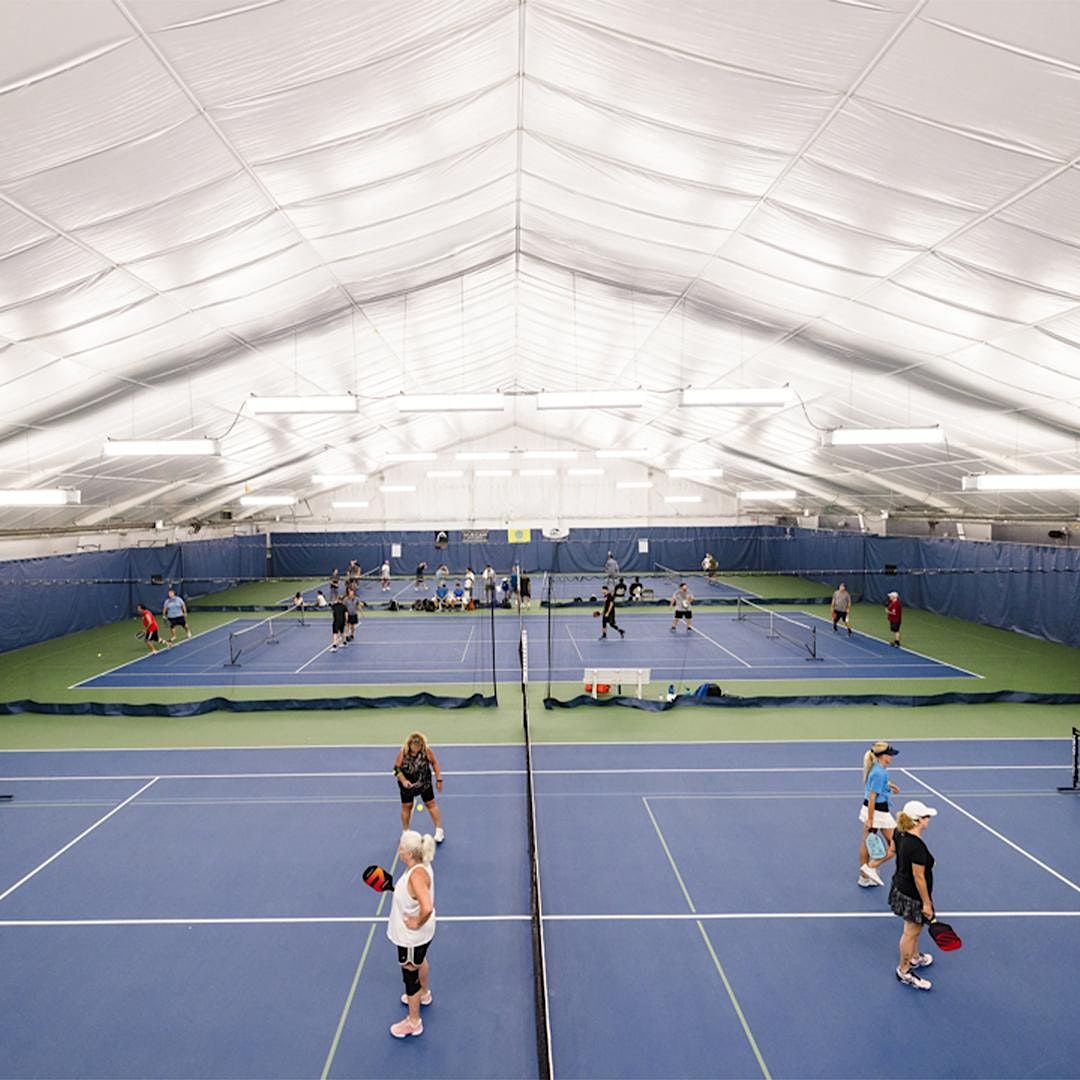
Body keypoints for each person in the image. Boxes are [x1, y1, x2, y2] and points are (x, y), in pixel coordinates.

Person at [387, 830, 437, 1038]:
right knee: (420, 960)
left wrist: (416, 922)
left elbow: (426, 907)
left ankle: (413, 1022)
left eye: (401, 846)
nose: (398, 849)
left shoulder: (416, 876)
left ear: (407, 852)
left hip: (411, 937)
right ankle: (424, 994)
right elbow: (414, 896)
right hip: (423, 936)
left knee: (410, 974)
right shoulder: (422, 866)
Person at [890, 800, 939, 991]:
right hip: (912, 895)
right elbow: (919, 877)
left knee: (914, 929)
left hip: (899, 887)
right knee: (911, 932)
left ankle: (915, 957)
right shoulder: (916, 846)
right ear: (918, 820)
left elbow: (893, 850)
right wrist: (926, 903)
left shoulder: (899, 832)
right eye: (927, 816)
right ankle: (904, 970)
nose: (929, 819)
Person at [859, 741, 900, 887]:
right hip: (877, 811)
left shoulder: (877, 769)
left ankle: (864, 877)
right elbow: (872, 796)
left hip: (874, 810)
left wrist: (890, 785)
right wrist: (870, 819)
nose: (892, 757)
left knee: (866, 841)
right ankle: (870, 867)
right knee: (897, 844)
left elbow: (877, 785)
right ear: (882, 756)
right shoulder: (879, 772)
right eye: (890, 755)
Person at [394, 732, 445, 842]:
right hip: (407, 785)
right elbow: (396, 769)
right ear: (410, 744)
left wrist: (439, 779)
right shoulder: (403, 752)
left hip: (424, 782)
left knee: (430, 804)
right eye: (415, 746)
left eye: (419, 746)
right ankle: (406, 832)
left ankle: (439, 831)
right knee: (407, 806)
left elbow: (435, 763)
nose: (417, 748)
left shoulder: (426, 750)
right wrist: (403, 780)